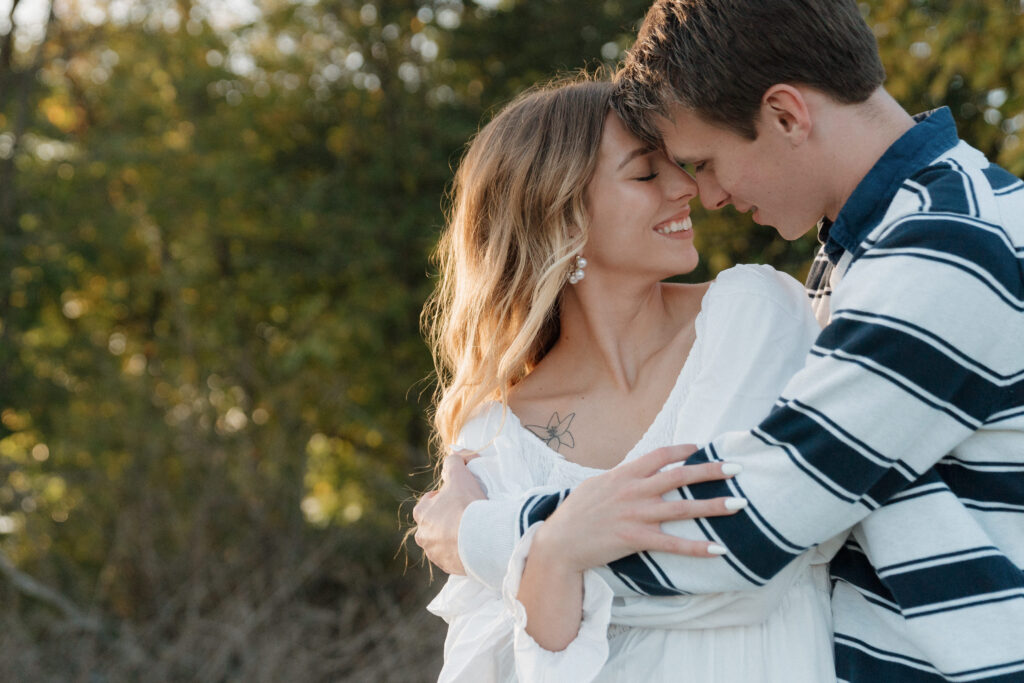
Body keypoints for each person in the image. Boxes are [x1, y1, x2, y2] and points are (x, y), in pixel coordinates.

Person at [414, 1, 1024, 681]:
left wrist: (491, 538)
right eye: (660, 171)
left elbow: (751, 531)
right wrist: (543, 556)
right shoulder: (876, 250)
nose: (705, 196)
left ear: (787, 115)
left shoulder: (943, 250)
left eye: (702, 161)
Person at [418, 73, 843, 681]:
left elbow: (739, 566)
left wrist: (538, 557)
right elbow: (491, 666)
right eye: (646, 174)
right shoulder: (493, 432)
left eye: (677, 165)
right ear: (561, 220)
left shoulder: (751, 312)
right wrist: (556, 551)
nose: (686, 187)